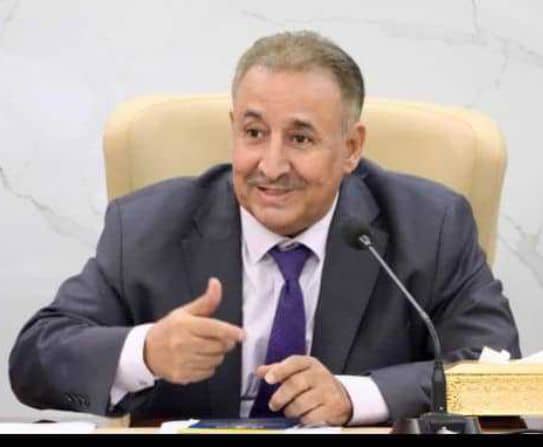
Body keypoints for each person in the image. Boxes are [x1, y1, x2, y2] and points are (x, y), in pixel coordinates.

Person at [9, 31, 520, 427]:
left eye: (300, 138)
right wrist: (145, 352)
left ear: (351, 148)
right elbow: (35, 360)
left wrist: (357, 396)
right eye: (254, 133)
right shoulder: (147, 226)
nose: (271, 166)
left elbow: (499, 378)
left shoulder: (430, 226)